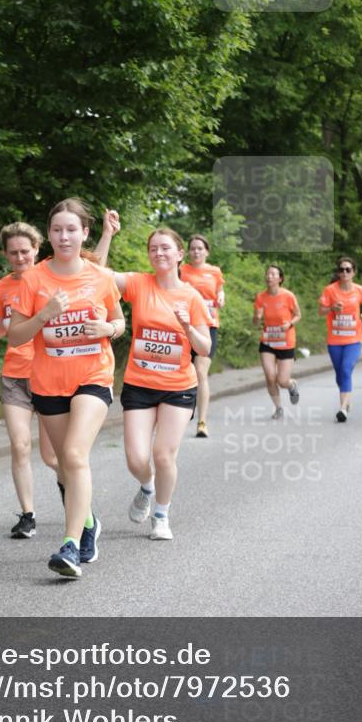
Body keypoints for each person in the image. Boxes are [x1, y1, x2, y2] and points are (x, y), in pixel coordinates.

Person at [0, 213, 119, 539]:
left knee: (59, 456)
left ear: (37, 248)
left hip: (57, 373)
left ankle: (78, 503)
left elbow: (95, 279)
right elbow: (3, 327)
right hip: (16, 373)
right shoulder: (5, 287)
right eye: (13, 253)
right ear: (6, 256)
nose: (20, 258)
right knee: (21, 444)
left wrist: (108, 233)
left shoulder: (58, 276)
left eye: (25, 251)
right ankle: (28, 514)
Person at [8, 198, 125, 578]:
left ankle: (70, 545)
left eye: (72, 229)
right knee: (60, 465)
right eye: (57, 230)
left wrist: (108, 329)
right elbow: (15, 337)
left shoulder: (100, 277)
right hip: (48, 383)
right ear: (49, 235)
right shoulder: (34, 279)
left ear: (85, 233)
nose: (64, 236)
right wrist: (45, 315)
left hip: (93, 376)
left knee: (75, 455)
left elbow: (119, 321)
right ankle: (89, 521)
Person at [113, 228, 211, 541]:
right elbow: (97, 274)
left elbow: (206, 347)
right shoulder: (139, 284)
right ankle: (146, 486)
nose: (159, 253)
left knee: (163, 454)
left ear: (180, 254)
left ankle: (161, 515)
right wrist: (106, 234)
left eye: (166, 248)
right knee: (136, 459)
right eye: (153, 248)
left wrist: (186, 327)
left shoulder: (192, 297)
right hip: (139, 384)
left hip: (178, 385)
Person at [318, 257, 362, 422]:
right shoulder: (330, 290)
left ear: (353, 272)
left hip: (354, 339)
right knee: (340, 374)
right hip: (335, 340)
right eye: (341, 269)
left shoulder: (360, 290)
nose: (344, 272)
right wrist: (331, 308)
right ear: (338, 272)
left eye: (348, 269)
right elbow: (321, 311)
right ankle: (346, 401)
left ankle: (342, 409)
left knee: (346, 369)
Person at [180, 235, 224, 438]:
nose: (196, 252)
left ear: (207, 251)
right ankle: (181, 412)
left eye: (200, 248)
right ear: (188, 252)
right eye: (193, 248)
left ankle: (202, 422)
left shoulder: (214, 272)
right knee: (182, 370)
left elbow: (220, 291)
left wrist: (221, 296)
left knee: (200, 372)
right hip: (184, 326)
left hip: (208, 326)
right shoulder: (182, 270)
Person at [253, 265, 302, 419]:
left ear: (280, 279)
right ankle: (278, 408)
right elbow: (255, 323)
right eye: (268, 274)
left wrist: (290, 324)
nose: (269, 276)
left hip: (286, 341)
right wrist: (257, 317)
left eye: (273, 274)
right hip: (267, 341)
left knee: (282, 380)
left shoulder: (288, 296)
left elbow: (298, 315)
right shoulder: (261, 297)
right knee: (270, 377)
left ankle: (291, 384)